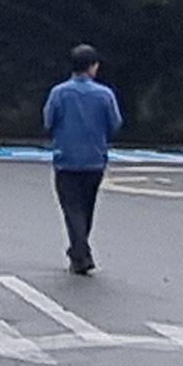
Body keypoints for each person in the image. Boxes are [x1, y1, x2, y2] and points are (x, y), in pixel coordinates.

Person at [43, 45, 121, 275]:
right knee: (87, 207)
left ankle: (80, 252)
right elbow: (115, 123)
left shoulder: (59, 93)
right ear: (93, 66)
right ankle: (80, 252)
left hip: (66, 158)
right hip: (95, 159)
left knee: (71, 208)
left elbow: (48, 121)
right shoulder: (105, 94)